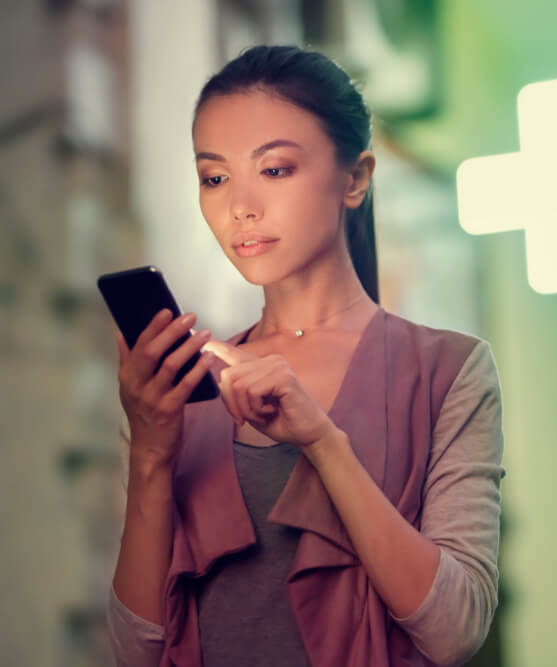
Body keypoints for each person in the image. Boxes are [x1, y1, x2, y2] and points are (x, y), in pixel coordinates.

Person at [106, 45, 505, 666]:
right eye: (215, 177)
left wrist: (323, 442)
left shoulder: (449, 372)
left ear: (356, 178)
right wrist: (151, 450)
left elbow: (455, 629)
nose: (240, 205)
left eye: (274, 169)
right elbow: (137, 651)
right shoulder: (190, 383)